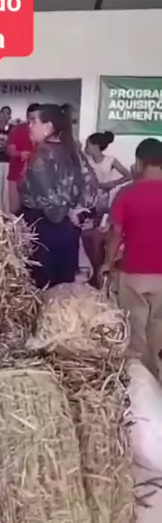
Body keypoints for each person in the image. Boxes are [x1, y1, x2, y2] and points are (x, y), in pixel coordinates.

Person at [101, 138, 162, 381]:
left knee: (136, 335)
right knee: (158, 331)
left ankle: (142, 386)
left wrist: (107, 263)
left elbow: (116, 234)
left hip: (134, 275)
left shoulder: (126, 193)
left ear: (139, 162)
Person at [19, 104, 98, 289]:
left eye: (34, 121)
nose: (30, 126)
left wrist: (66, 211)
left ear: (48, 126)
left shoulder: (41, 154)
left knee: (43, 285)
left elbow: (49, 196)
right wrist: (79, 209)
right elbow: (92, 183)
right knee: (64, 285)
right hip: (70, 229)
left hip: (44, 227)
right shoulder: (74, 151)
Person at [85, 131, 131, 215]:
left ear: (96, 146)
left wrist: (113, 183)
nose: (85, 148)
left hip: (103, 198)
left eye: (87, 145)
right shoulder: (86, 161)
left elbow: (128, 175)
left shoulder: (110, 160)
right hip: (87, 199)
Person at [7, 103, 40, 213]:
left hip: (36, 178)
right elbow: (10, 150)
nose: (33, 122)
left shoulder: (43, 132)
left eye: (36, 119)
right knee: (14, 210)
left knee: (33, 210)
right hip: (16, 174)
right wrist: (21, 154)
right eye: (31, 118)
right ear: (27, 116)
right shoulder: (18, 129)